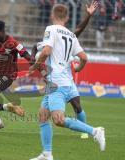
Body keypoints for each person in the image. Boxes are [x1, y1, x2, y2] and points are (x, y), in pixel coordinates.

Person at [29, 4, 105, 160]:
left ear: (52, 15)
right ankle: (47, 154)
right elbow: (84, 58)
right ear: (68, 17)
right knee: (43, 116)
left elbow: (46, 51)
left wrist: (34, 66)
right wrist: (77, 69)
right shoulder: (71, 35)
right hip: (64, 82)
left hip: (57, 83)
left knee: (58, 120)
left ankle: (95, 131)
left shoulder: (51, 29)